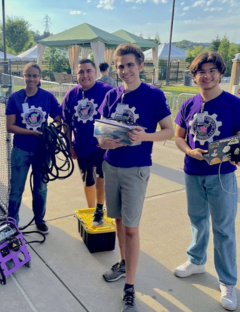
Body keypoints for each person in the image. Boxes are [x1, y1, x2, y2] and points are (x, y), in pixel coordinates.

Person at [173, 51, 240, 311]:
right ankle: (196, 261)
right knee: (197, 221)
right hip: (192, 172)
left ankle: (228, 281)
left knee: (224, 229)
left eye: (212, 71)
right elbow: (179, 137)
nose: (206, 76)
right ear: (194, 76)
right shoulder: (188, 105)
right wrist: (189, 151)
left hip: (222, 175)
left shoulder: (234, 104)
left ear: (220, 73)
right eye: (200, 72)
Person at [98, 43, 173, 312]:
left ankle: (129, 286)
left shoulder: (153, 95)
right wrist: (104, 143)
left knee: (131, 227)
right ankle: (123, 262)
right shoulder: (111, 96)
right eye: (120, 66)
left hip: (136, 168)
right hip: (111, 166)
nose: (125, 70)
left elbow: (169, 131)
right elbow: (101, 133)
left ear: (141, 65)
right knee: (117, 220)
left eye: (130, 65)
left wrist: (145, 137)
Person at [5, 62, 62, 234]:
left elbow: (59, 119)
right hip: (21, 149)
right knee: (16, 190)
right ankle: (11, 223)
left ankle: (39, 220)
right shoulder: (15, 98)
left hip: (42, 151)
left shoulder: (47, 97)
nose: (31, 79)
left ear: (40, 78)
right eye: (28, 75)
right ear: (23, 76)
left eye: (35, 76)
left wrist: (51, 130)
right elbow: (10, 126)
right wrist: (32, 132)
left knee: (40, 188)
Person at [62, 59, 113, 226]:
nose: (85, 75)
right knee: (88, 179)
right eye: (81, 72)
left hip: (101, 146)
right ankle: (92, 211)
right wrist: (69, 146)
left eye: (88, 71)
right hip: (81, 145)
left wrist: (107, 139)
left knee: (101, 177)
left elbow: (115, 118)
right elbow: (66, 123)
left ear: (96, 73)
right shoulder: (71, 94)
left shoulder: (107, 91)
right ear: (76, 75)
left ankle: (99, 209)